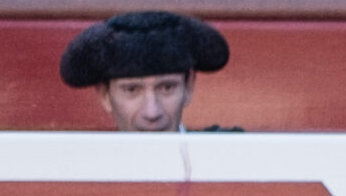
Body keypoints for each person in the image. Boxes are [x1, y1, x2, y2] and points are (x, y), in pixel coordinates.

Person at [61, 11, 230, 131]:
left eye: (167, 88)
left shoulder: (229, 157)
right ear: (104, 95)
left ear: (189, 87)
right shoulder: (83, 171)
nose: (152, 112)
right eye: (132, 90)